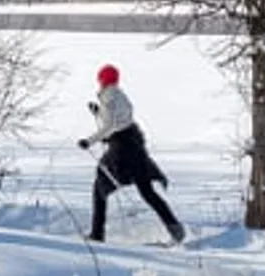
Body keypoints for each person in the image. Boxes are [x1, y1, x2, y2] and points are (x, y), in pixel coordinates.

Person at [78, 64, 185, 244]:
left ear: (102, 79)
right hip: (135, 148)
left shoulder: (108, 97)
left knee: (99, 188)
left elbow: (110, 126)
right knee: (148, 193)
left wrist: (89, 141)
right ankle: (175, 229)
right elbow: (120, 120)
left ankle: (97, 234)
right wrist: (98, 112)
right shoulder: (120, 95)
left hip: (121, 153)